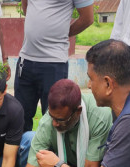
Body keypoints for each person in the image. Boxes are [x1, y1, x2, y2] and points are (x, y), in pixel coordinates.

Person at [15, 0, 94, 132]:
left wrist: (63, 32)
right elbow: (26, 7)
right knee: (20, 118)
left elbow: (87, 18)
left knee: (55, 119)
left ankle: (51, 152)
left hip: (54, 62)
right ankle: (22, 152)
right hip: (26, 60)